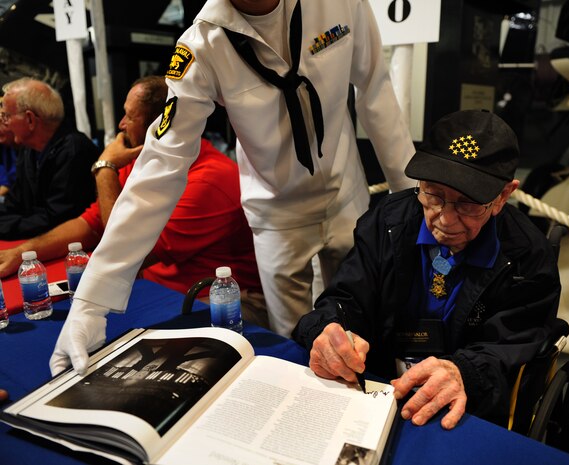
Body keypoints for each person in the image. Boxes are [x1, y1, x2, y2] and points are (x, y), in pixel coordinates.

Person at [49, 0, 416, 376]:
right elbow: (160, 168)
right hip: (277, 214)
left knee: (366, 327)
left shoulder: (338, 4)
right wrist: (90, 301)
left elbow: (376, 93)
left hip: (346, 195)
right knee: (295, 347)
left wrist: (413, 204)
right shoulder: (202, 45)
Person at [292, 110, 561, 430]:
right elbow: (346, 297)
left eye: (467, 204)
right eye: (433, 194)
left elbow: (510, 347)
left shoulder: (527, 258)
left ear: (503, 196)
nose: (445, 220)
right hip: (379, 389)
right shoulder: (388, 222)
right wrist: (329, 329)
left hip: (462, 405)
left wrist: (464, 371)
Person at [0, 76, 262, 308]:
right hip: (158, 291)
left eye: (130, 117)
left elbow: (125, 253)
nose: (121, 125)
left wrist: (105, 167)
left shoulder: (209, 181)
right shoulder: (145, 161)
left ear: (160, 126)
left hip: (215, 302)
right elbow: (91, 223)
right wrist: (21, 252)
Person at [0, 78, 99, 239]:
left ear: (30, 119)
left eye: (6, 116)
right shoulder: (28, 151)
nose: (6, 124)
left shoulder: (74, 151)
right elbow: (14, 204)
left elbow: (56, 220)